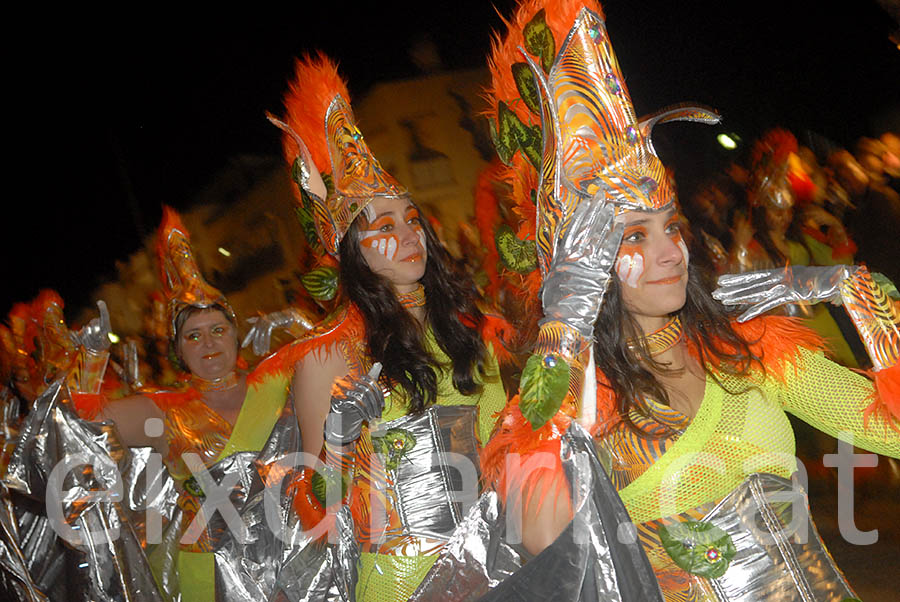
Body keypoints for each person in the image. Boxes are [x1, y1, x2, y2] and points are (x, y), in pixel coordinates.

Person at [479, 1, 900, 600]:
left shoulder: (744, 349)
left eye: (670, 226)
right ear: (580, 265)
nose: (672, 251)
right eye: (634, 236)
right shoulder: (571, 409)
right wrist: (563, 330)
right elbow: (546, 549)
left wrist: (879, 319)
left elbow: (888, 424)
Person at [266, 54, 508, 601]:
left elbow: (507, 448)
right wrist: (339, 440)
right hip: (401, 583)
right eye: (384, 225)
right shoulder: (324, 358)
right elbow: (314, 509)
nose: (409, 234)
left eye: (412, 218)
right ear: (352, 249)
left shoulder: (466, 330)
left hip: (496, 561)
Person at [64, 207, 300, 602]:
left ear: (234, 333)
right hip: (213, 578)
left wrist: (303, 327)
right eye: (193, 335)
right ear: (177, 349)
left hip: (296, 559)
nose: (208, 343)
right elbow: (82, 422)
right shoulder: (163, 410)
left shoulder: (280, 383)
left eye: (217, 329)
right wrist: (89, 364)